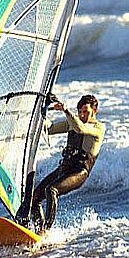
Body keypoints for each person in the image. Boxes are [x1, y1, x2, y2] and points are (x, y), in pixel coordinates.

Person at [31, 93, 105, 234]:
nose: (82, 115)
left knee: (51, 190)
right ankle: (37, 230)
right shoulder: (73, 122)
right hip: (65, 168)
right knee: (36, 196)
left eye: (86, 112)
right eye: (80, 112)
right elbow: (50, 128)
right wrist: (39, 114)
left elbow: (80, 129)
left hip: (79, 172)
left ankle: (45, 231)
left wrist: (65, 110)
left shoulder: (98, 128)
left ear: (95, 111)